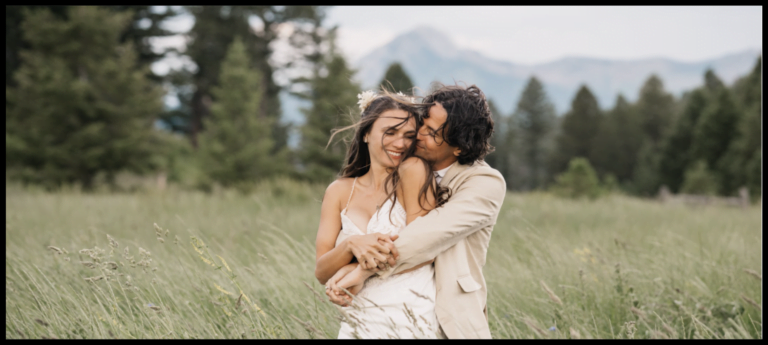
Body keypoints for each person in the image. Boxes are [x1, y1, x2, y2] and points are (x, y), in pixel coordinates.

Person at [325, 84, 506, 339]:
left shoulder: (484, 183)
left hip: (448, 317)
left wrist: (361, 269)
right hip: (378, 310)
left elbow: (424, 235)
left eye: (432, 133)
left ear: (459, 148)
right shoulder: (399, 166)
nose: (418, 135)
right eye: (423, 123)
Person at [314, 90, 449, 338]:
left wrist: (356, 269)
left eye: (409, 136)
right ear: (366, 134)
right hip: (358, 321)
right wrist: (350, 246)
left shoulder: (414, 171)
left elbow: (424, 249)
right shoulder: (339, 191)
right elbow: (322, 272)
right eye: (390, 132)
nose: (401, 143)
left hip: (409, 317)